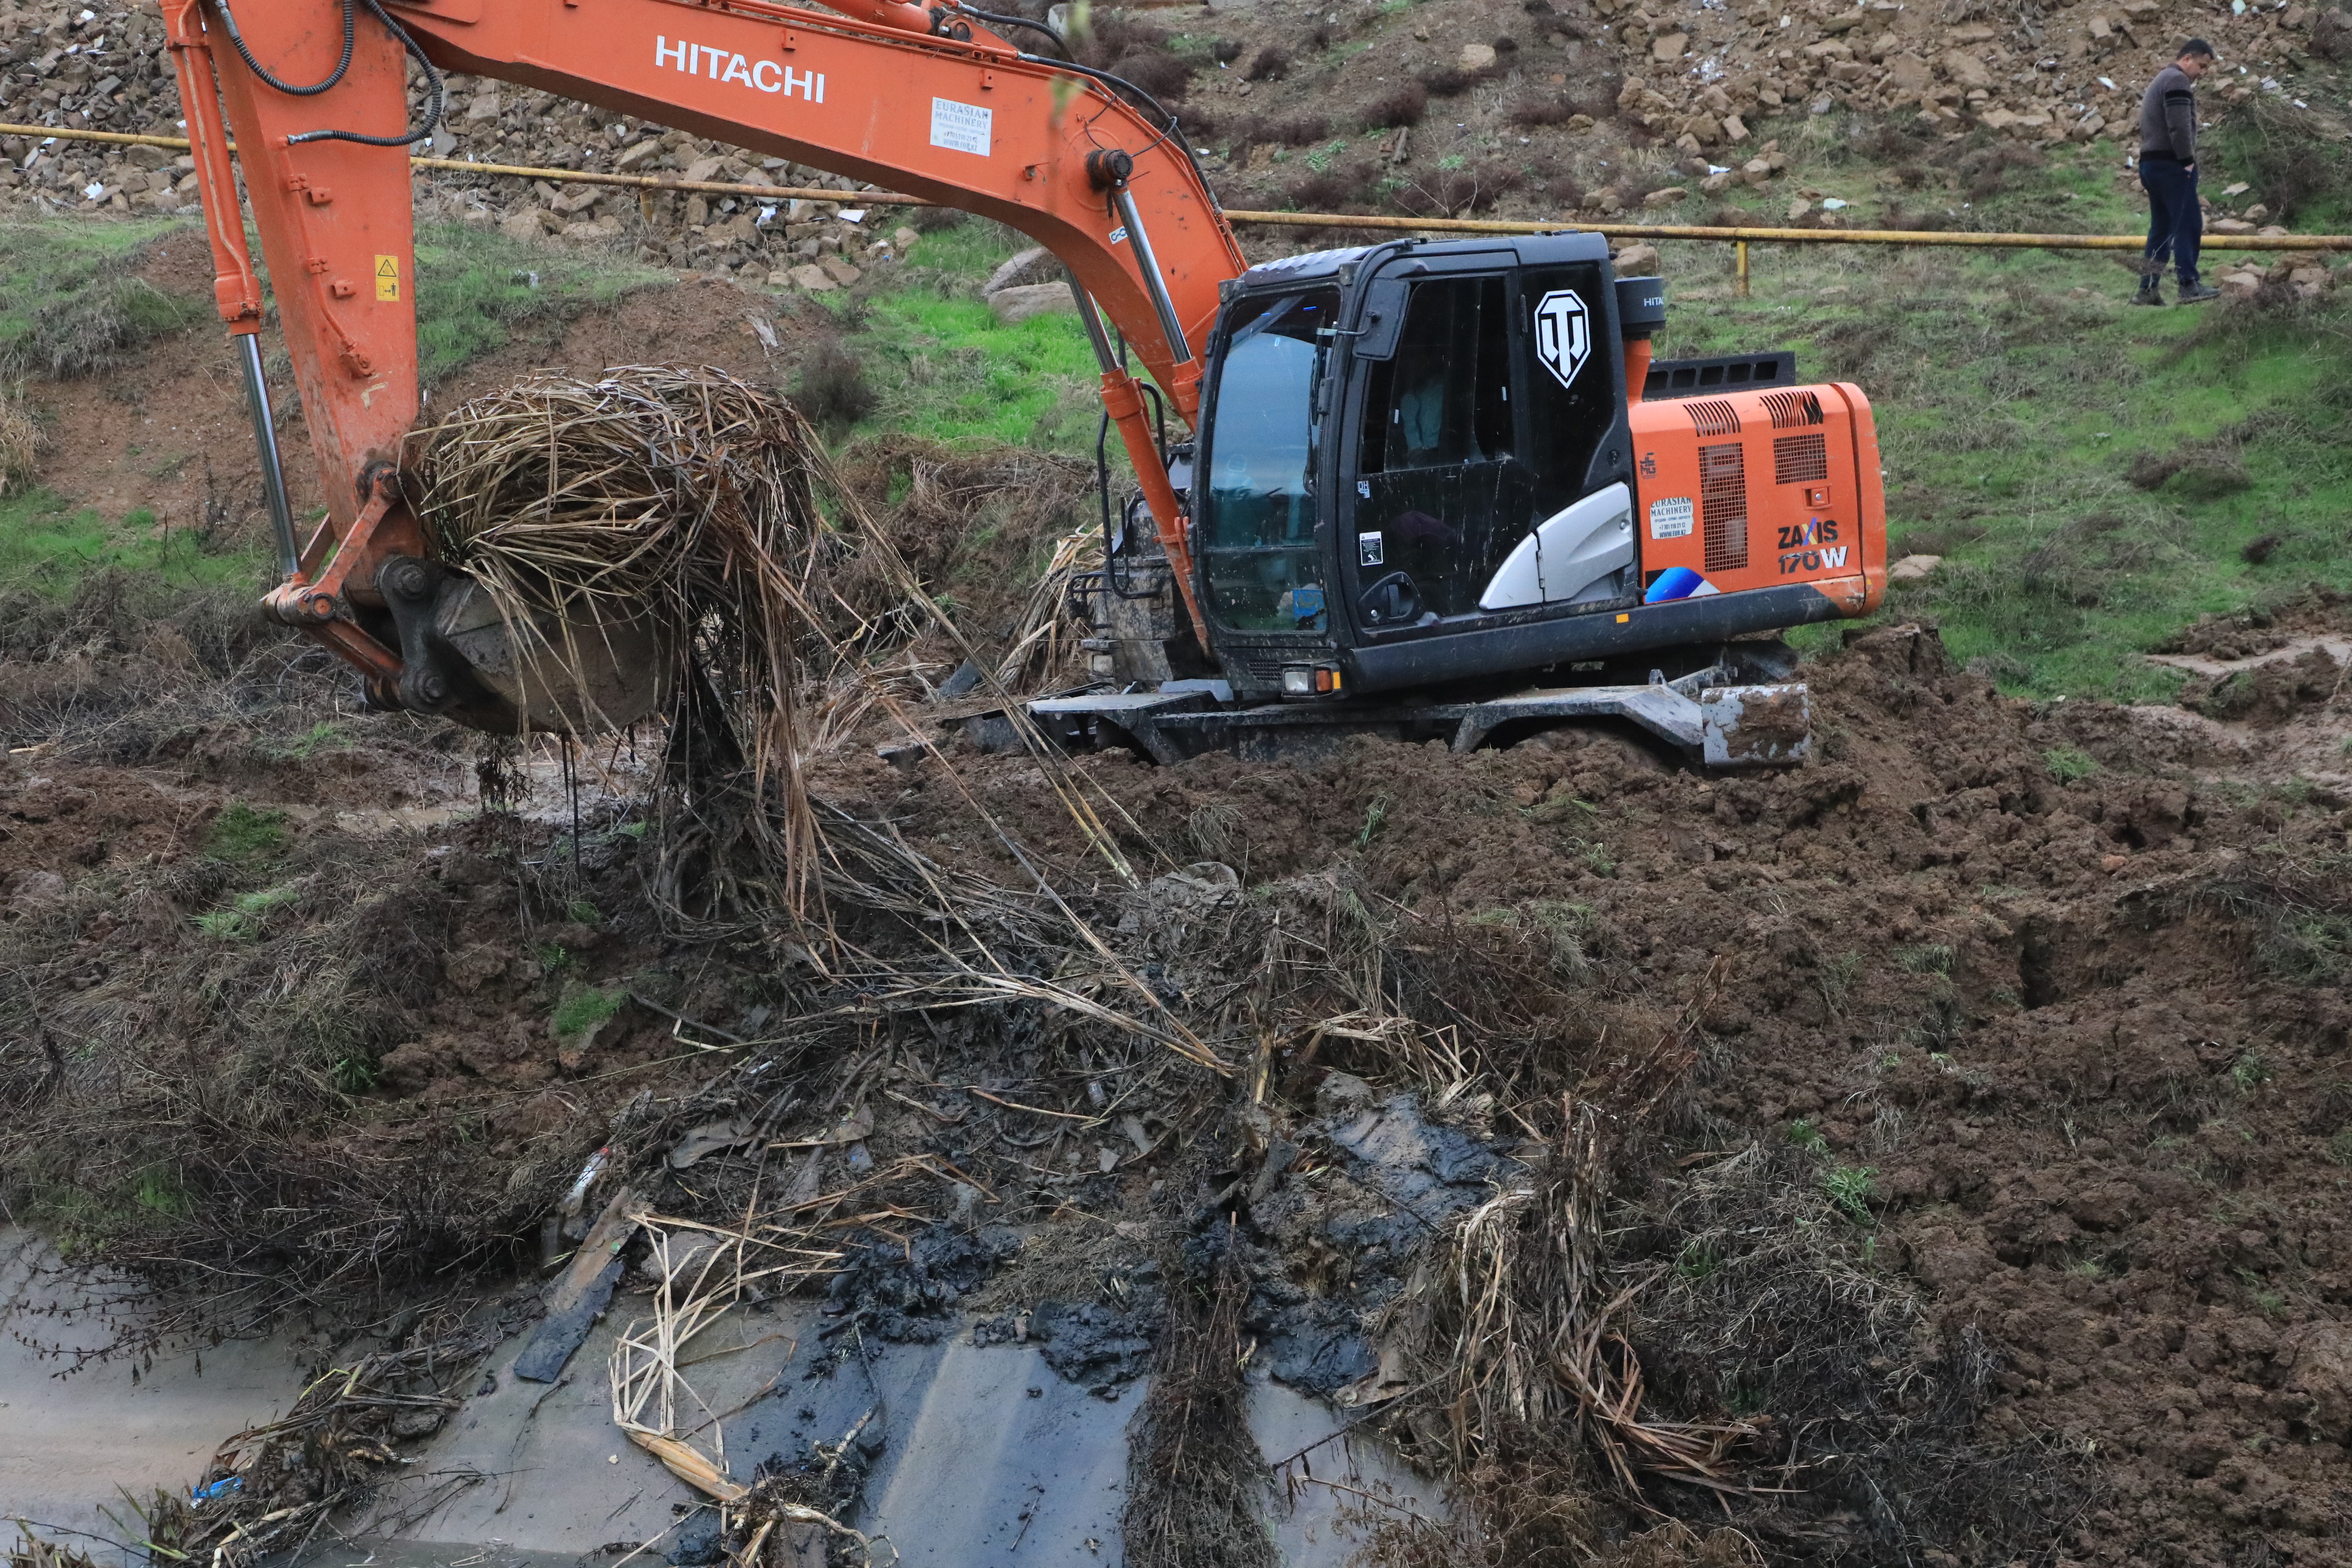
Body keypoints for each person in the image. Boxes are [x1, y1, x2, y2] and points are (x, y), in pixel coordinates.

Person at [2137, 40, 2220, 306]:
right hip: (2170, 165)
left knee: (2161, 229)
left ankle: (2148, 290)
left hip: (2151, 164)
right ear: (2186, 59)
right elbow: (2179, 127)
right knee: (2189, 223)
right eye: (2202, 66)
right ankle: (2189, 285)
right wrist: (2186, 161)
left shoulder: (2162, 78)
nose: (2203, 73)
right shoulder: (2177, 81)